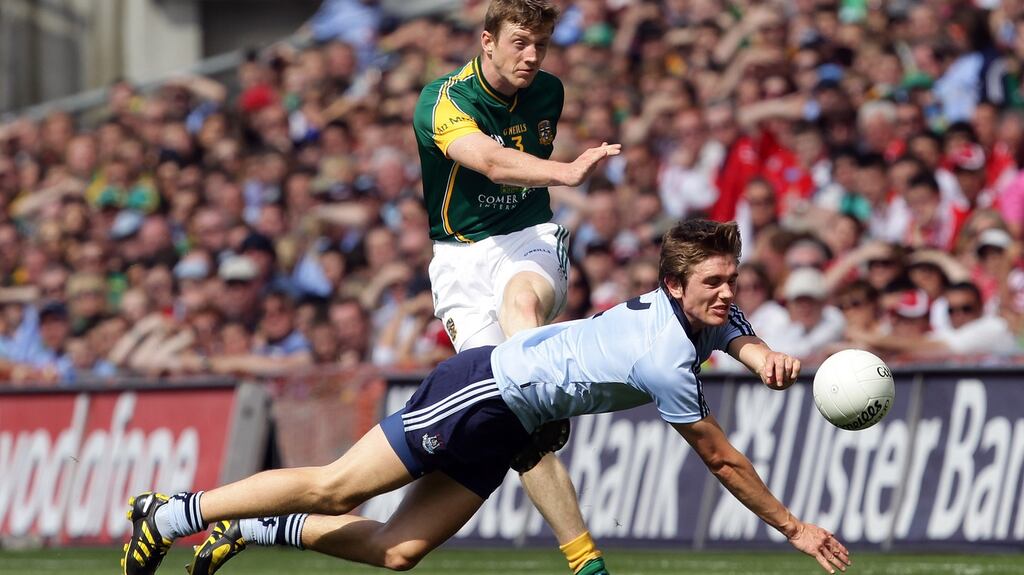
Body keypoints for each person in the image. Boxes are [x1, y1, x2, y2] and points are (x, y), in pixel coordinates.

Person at [121, 220, 851, 575]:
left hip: (512, 426)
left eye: (732, 280)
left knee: (397, 551)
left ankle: (252, 532)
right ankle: (168, 513)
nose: (726, 293)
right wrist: (791, 526)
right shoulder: (665, 357)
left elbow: (735, 331)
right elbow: (721, 459)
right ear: (673, 288)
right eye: (712, 283)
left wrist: (763, 356)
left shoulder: (703, 313)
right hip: (480, 391)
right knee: (335, 486)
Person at [393, 1, 618, 573]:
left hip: (528, 237)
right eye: (520, 41)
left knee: (522, 305)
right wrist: (566, 172)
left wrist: (556, 183)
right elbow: (490, 162)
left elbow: (511, 168)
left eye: (541, 43)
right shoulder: (441, 100)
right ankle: (582, 556)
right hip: (461, 261)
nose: (532, 56)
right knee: (513, 416)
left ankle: (541, 388)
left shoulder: (548, 92)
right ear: (487, 39)